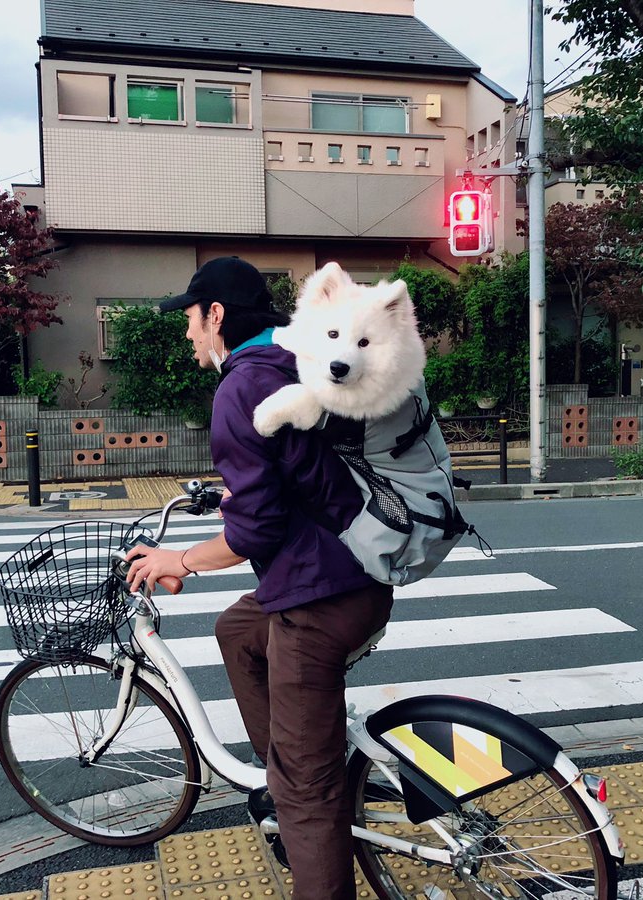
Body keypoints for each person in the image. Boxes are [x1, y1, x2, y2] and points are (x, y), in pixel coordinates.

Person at [124, 256, 392, 900]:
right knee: (238, 630)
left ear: (216, 316)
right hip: (359, 572)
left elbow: (255, 535)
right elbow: (302, 471)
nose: (188, 331)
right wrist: (238, 496)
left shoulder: (241, 387)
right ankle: (293, 762)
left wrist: (178, 560)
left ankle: (301, 788)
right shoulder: (294, 361)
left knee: (308, 792)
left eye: (191, 317)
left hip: (321, 601)